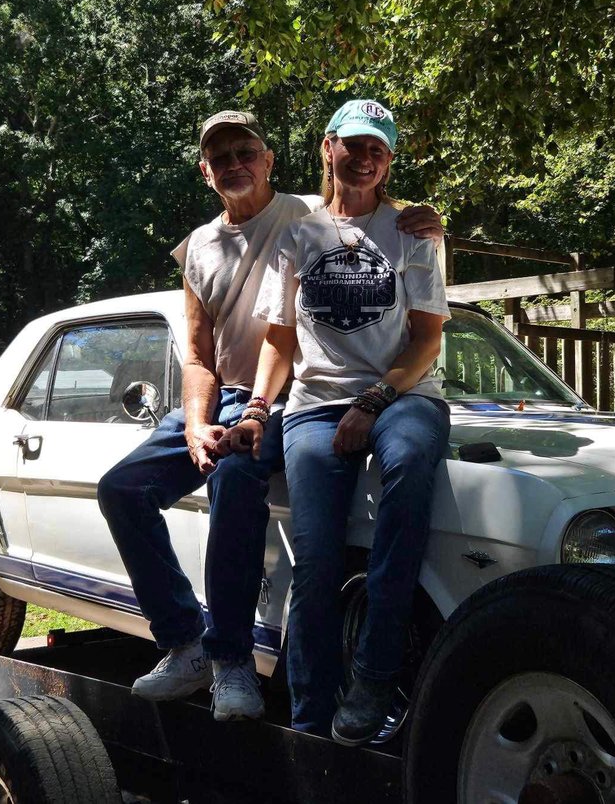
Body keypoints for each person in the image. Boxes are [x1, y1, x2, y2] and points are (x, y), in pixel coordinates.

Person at [96, 109, 443, 721]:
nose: (235, 165)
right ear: (206, 172)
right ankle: (184, 642)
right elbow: (199, 358)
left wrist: (436, 221)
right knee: (122, 488)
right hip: (236, 396)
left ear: (270, 161)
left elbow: (374, 213)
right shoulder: (199, 248)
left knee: (235, 478)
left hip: (288, 400)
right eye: (220, 158)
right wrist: (200, 423)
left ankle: (233, 663)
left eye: (245, 153)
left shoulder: (303, 213)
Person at [222, 100, 451, 744]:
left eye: (378, 148)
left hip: (404, 396)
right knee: (318, 566)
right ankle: (308, 722)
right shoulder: (299, 234)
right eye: (353, 145)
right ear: (328, 149)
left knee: (407, 463)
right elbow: (279, 339)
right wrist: (259, 409)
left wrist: (372, 402)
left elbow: (426, 342)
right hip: (316, 407)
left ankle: (376, 676)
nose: (365, 157)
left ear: (389, 160)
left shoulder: (414, 232)